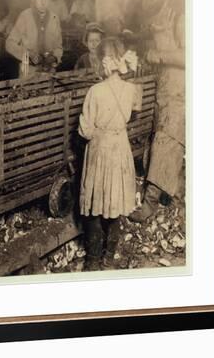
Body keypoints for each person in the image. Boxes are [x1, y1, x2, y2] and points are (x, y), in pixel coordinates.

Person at [78, 37, 141, 270]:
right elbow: (133, 115)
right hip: (120, 147)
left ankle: (93, 261)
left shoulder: (95, 91)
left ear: (104, 62)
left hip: (100, 149)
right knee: (115, 205)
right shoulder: (130, 89)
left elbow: (85, 130)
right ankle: (109, 258)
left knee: (95, 203)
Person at [129, 0, 185, 222]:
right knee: (161, 139)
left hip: (179, 90)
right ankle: (172, 192)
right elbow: (156, 32)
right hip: (166, 87)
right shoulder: (167, 16)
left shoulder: (182, 19)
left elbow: (190, 55)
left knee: (167, 141)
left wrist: (158, 55)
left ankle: (150, 204)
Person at [5, 0, 63, 76]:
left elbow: (58, 47)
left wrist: (54, 57)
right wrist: (28, 54)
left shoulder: (54, 18)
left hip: (49, 72)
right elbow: (9, 44)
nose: (43, 2)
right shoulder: (25, 16)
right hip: (28, 71)